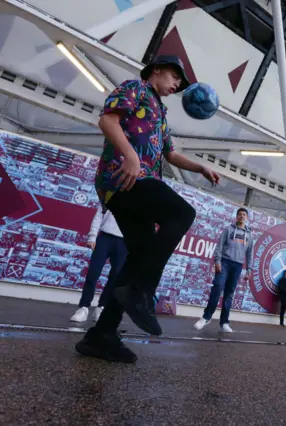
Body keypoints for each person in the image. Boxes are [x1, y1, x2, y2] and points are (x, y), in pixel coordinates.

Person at [75, 55, 219, 363]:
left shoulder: (161, 113)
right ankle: (141, 290)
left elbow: (171, 154)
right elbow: (107, 119)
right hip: (124, 177)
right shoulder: (135, 89)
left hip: (134, 183)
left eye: (180, 82)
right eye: (175, 76)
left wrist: (200, 167)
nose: (178, 84)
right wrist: (130, 155)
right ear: (156, 71)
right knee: (182, 214)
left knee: (138, 254)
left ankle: (102, 335)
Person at [195, 208, 253, 332]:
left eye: (244, 215)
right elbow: (219, 246)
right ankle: (206, 317)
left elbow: (249, 253)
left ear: (247, 218)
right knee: (217, 287)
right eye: (240, 214)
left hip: (237, 266)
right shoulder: (228, 229)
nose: (242, 216)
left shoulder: (249, 235)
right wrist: (217, 261)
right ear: (236, 217)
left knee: (229, 294)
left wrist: (249, 269)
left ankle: (224, 322)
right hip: (225, 263)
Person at [71, 209, 126, 323]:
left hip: (125, 243)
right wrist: (92, 237)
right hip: (105, 238)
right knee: (93, 273)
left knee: (116, 277)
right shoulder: (110, 194)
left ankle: (101, 307)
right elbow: (98, 216)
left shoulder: (142, 199)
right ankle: (84, 308)